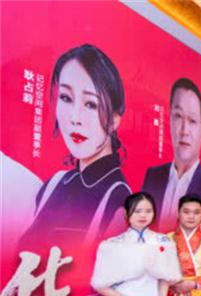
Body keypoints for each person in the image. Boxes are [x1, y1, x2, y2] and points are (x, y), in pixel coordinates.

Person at [21, 44, 130, 250]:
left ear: (114, 120)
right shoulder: (54, 184)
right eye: (66, 98)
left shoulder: (119, 200)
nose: (75, 118)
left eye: (91, 104)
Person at [142, 78, 201, 231]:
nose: (184, 130)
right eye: (178, 116)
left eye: (192, 120)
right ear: (170, 120)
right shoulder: (153, 176)